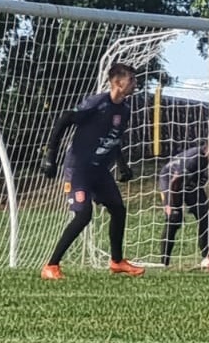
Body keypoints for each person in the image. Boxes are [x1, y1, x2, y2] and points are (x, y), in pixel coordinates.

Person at [39, 63, 145, 280]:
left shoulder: (124, 109)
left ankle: (117, 261)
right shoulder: (97, 103)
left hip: (99, 170)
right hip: (78, 169)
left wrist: (122, 165)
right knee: (84, 215)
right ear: (118, 83)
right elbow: (64, 120)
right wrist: (50, 156)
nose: (135, 83)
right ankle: (51, 265)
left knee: (118, 209)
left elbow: (114, 139)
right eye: (132, 80)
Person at [158, 144, 209, 268]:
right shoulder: (194, 158)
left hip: (192, 184)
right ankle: (164, 262)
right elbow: (175, 183)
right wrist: (173, 206)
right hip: (171, 180)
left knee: (205, 216)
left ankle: (207, 257)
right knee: (174, 218)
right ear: (207, 152)